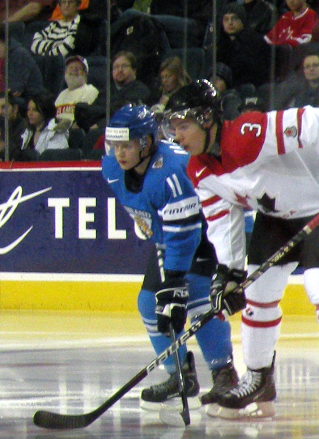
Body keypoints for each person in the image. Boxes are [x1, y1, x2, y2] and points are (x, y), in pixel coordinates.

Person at [164, 79, 319, 424]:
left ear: (207, 119)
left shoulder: (248, 133)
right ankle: (258, 381)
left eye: (183, 126)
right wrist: (229, 272)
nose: (177, 136)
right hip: (278, 217)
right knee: (256, 291)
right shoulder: (198, 169)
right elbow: (222, 221)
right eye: (173, 128)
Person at [100, 104, 236, 409]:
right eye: (115, 146)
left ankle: (224, 372)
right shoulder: (112, 168)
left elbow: (186, 234)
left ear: (146, 143)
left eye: (126, 146)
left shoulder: (172, 171)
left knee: (199, 298)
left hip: (206, 235)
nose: (119, 153)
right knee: (150, 303)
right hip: (170, 238)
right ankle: (180, 376)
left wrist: (175, 282)